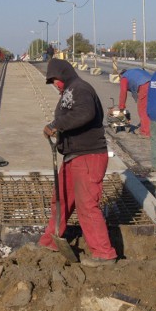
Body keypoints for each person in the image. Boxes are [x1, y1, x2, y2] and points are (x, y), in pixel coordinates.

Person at [38, 58, 117, 267]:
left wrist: (56, 125)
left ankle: (103, 253)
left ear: (63, 74)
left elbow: (85, 113)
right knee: (61, 200)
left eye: (55, 79)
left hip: (89, 155)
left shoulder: (80, 88)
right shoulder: (68, 92)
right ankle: (49, 242)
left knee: (87, 205)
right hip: (74, 156)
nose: (54, 84)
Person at [118, 68, 151, 137]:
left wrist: (121, 107)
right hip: (153, 83)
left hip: (144, 86)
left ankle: (145, 132)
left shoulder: (124, 78)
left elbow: (123, 92)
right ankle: (150, 128)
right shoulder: (132, 72)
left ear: (121, 75)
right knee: (150, 108)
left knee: (142, 109)